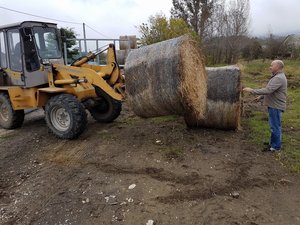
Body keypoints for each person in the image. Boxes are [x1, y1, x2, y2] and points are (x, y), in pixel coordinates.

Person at [243, 60, 287, 152]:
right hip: (274, 105)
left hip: (276, 106)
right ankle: (273, 143)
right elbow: (272, 90)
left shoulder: (278, 78)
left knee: (275, 126)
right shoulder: (277, 77)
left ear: (278, 67)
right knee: (273, 126)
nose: (270, 67)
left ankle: (275, 147)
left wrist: (252, 90)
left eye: (272, 65)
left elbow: (268, 90)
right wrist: (260, 97)